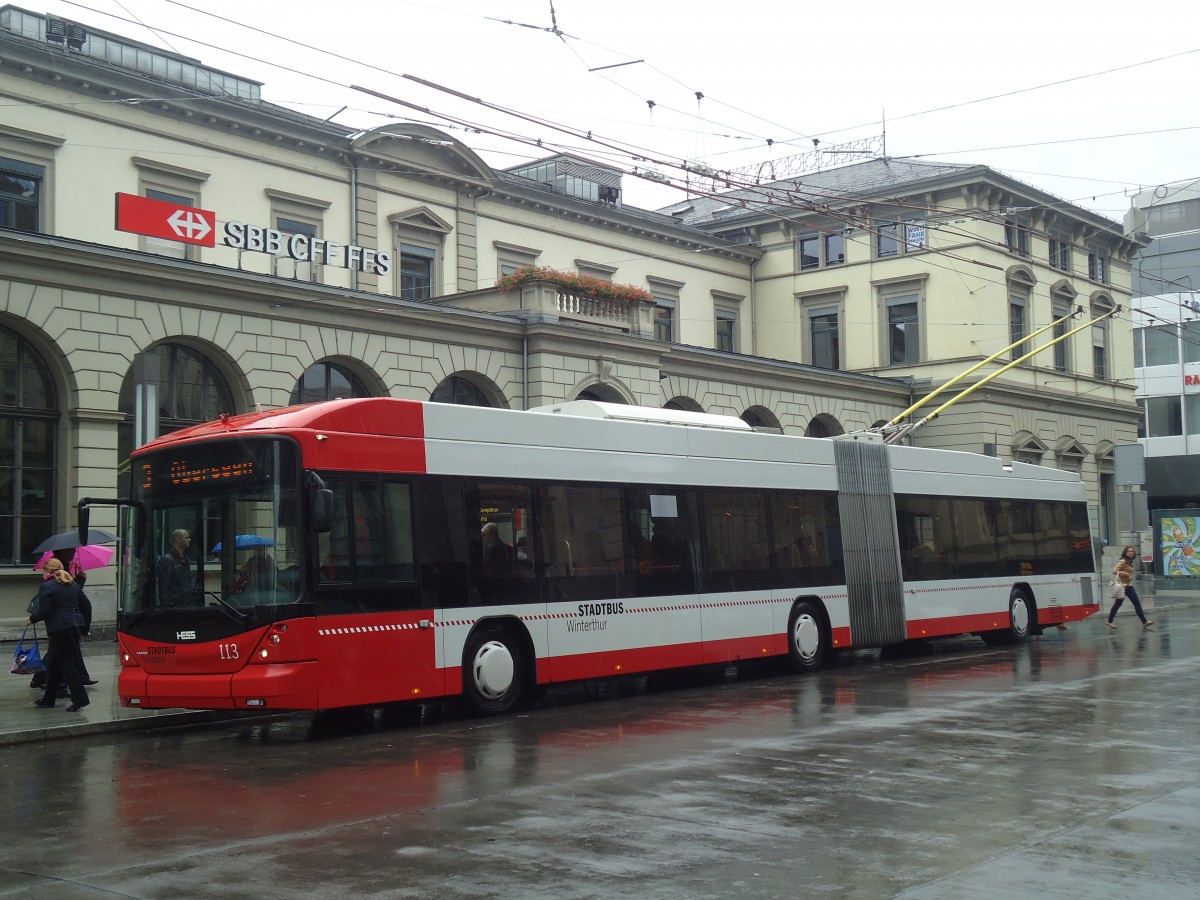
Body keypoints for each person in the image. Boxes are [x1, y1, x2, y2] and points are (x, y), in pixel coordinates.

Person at [27, 557, 90, 711]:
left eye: (43, 571)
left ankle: (80, 699)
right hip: (74, 626)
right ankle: (48, 699)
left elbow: (46, 610)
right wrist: (84, 628)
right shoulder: (72, 585)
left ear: (47, 571)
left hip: (60, 629)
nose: (42, 575)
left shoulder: (47, 587)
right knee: (53, 665)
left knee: (67, 664)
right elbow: (86, 606)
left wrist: (32, 618)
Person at [1108, 544, 1153, 630]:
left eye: (1132, 551)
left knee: (1136, 603)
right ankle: (1109, 621)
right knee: (1118, 604)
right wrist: (1124, 574)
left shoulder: (1129, 561)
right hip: (1123, 587)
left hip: (1128, 586)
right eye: (1129, 551)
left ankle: (1144, 622)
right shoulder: (1123, 561)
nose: (1131, 553)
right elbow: (1114, 571)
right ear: (1125, 552)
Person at [157, 528, 195, 604]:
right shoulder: (167, 560)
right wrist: (166, 607)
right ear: (178, 539)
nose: (190, 540)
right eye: (186, 537)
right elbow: (164, 588)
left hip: (186, 604)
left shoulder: (186, 560)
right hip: (174, 606)